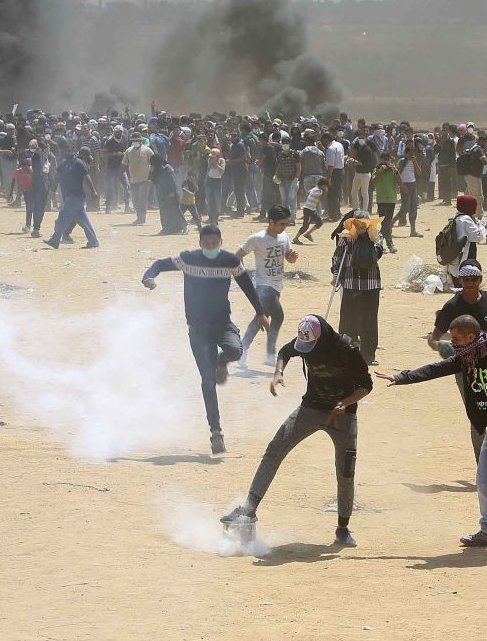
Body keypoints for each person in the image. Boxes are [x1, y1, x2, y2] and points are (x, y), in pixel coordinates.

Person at [378, 314, 487, 558]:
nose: (452, 343)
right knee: (484, 482)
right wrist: (402, 377)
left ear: (470, 337)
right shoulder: (467, 358)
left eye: (456, 339)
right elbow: (437, 368)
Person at [220, 315, 371, 547]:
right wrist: (278, 373)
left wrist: (346, 402)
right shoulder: (305, 341)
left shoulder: (346, 349)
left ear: (322, 339)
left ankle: (342, 528)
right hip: (309, 408)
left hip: (343, 418)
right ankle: (248, 509)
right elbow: (285, 351)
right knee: (275, 449)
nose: (307, 351)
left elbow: (366, 385)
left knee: (345, 473)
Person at [142, 226, 269, 454]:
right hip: (198, 331)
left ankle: (223, 361)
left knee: (235, 351)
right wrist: (148, 276)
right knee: (207, 381)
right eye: (206, 243)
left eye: (214, 243)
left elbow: (247, 285)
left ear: (220, 241)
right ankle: (216, 433)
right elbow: (160, 264)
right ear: (200, 242)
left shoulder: (229, 260)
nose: (210, 247)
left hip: (222, 325)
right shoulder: (188, 259)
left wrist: (260, 313)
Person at [428, 259, 487, 461]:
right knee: (478, 415)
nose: (470, 283)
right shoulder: (452, 306)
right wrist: (448, 351)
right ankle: (484, 466)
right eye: (466, 279)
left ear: (480, 279)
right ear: (460, 279)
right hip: (466, 370)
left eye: (474, 279)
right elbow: (434, 337)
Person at [237, 206, 298, 369]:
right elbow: (238, 256)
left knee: (260, 319)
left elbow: (288, 257)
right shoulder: (257, 239)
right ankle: (271, 353)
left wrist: (292, 257)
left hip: (277, 285)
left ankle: (242, 349)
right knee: (278, 316)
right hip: (264, 286)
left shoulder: (283, 236)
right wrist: (244, 278)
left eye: (286, 224)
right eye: (281, 224)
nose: (284, 227)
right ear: (271, 222)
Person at [332, 210, 385, 366]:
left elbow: (378, 253)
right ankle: (345, 353)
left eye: (364, 224)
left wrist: (369, 240)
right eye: (358, 224)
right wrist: (336, 275)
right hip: (350, 284)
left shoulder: (376, 236)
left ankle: (368, 355)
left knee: (369, 320)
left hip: (371, 285)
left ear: (369, 224)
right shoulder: (346, 237)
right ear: (353, 223)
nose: (361, 227)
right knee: (348, 320)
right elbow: (337, 256)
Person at [45, 142, 100, 249]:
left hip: (76, 196)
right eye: (66, 150)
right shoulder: (62, 164)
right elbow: (57, 177)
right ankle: (93, 241)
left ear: (74, 152)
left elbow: (87, 178)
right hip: (68, 197)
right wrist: (52, 190)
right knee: (83, 221)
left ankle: (55, 240)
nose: (68, 152)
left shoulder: (79, 164)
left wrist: (93, 191)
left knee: (62, 216)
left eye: (70, 150)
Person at [445, 194, 486, 287]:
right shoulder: (465, 219)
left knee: (458, 286)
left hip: (454, 259)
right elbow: (477, 236)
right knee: (464, 287)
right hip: (464, 259)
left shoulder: (456, 217)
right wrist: (482, 226)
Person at [372, 153, 403, 254]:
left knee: (386, 223)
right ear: (381, 160)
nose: (386, 161)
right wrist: (380, 172)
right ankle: (390, 244)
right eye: (384, 159)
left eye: (388, 159)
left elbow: (400, 183)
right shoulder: (377, 169)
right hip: (381, 200)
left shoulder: (393, 170)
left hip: (391, 199)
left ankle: (378, 242)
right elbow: (374, 183)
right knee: (385, 223)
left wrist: (396, 171)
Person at [124, 133, 154, 224]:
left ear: (141, 141)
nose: (135, 142)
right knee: (135, 200)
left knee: (142, 199)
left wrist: (151, 176)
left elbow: (153, 163)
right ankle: (139, 216)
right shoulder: (128, 151)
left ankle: (141, 218)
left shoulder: (147, 150)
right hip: (133, 179)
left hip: (145, 179)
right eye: (134, 141)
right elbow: (124, 164)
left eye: (137, 141)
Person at [293, 177, 329, 245]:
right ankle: (295, 238)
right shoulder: (317, 191)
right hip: (308, 210)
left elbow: (309, 192)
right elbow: (321, 200)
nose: (326, 187)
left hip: (311, 210)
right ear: (322, 185)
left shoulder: (316, 189)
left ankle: (308, 233)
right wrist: (325, 192)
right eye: (325, 185)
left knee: (320, 222)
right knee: (305, 226)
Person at [324, 131, 345, 221]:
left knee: (332, 195)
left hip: (334, 172)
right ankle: (337, 213)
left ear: (326, 140)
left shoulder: (331, 149)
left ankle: (333, 216)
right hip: (341, 171)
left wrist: (328, 177)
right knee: (337, 194)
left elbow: (331, 165)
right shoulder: (339, 144)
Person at [204, 147, 225, 225]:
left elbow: (222, 172)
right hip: (210, 180)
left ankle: (215, 218)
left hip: (217, 181)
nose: (211, 158)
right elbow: (208, 170)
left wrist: (216, 164)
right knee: (209, 201)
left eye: (213, 156)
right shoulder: (209, 160)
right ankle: (211, 219)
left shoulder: (222, 161)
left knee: (217, 201)